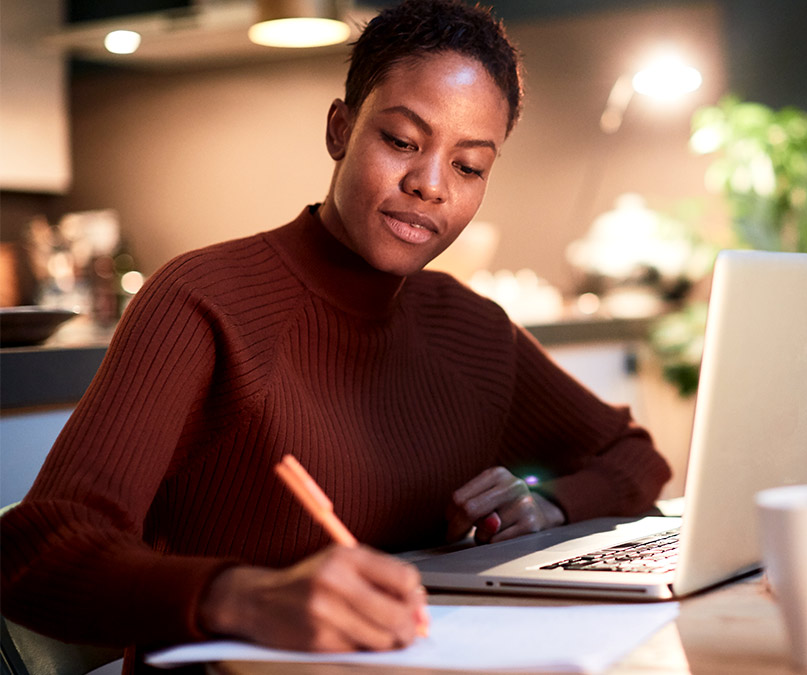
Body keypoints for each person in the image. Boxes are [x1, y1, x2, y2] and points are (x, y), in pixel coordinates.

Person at [0, 1, 671, 671]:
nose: (428, 184)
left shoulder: (473, 326)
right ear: (340, 129)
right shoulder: (201, 301)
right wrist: (243, 597)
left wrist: (549, 504)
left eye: (469, 166)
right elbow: (35, 550)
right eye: (402, 141)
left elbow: (635, 456)